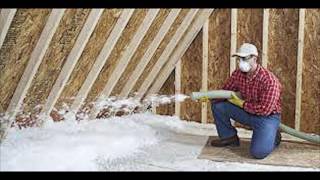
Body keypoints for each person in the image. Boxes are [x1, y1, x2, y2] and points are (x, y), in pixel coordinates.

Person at [210, 43, 282, 159]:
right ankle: (229, 138)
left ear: (254, 58)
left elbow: (265, 110)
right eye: (239, 59)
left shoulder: (269, 81)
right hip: (247, 111)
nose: (240, 62)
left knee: (258, 153)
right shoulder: (238, 74)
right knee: (218, 105)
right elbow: (226, 91)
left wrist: (242, 104)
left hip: (267, 118)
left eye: (244, 58)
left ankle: (274, 136)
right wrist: (209, 97)